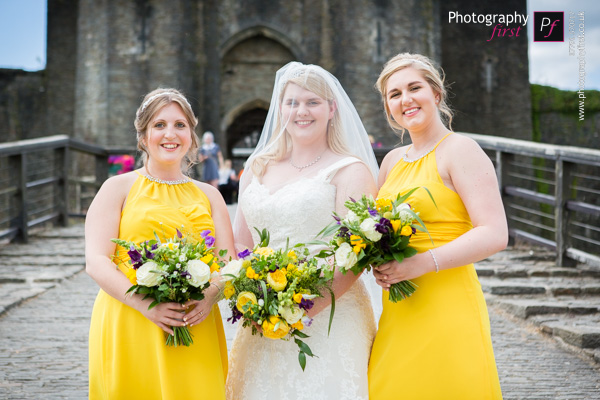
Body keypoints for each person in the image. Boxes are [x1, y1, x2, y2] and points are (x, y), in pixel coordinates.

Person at [226, 62, 381, 399]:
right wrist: (251, 295)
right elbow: (240, 240)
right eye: (292, 103)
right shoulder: (256, 169)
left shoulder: (350, 171)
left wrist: (301, 309)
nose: (301, 111)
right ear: (280, 109)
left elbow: (354, 253)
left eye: (312, 102)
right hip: (261, 317)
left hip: (330, 316)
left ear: (331, 108)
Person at [368, 53, 507, 399]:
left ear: (437, 94)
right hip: (398, 307)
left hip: (447, 302)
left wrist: (420, 262)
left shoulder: (460, 150)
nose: (406, 99)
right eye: (395, 94)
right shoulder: (391, 162)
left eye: (415, 88)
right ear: (388, 106)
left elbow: (494, 232)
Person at [85, 88, 236, 399]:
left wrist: (208, 298)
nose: (171, 134)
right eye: (159, 125)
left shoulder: (209, 195)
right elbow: (97, 260)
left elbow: (229, 263)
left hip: (195, 323)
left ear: (192, 137)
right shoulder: (117, 187)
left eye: (180, 125)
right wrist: (145, 305)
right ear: (143, 137)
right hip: (130, 318)